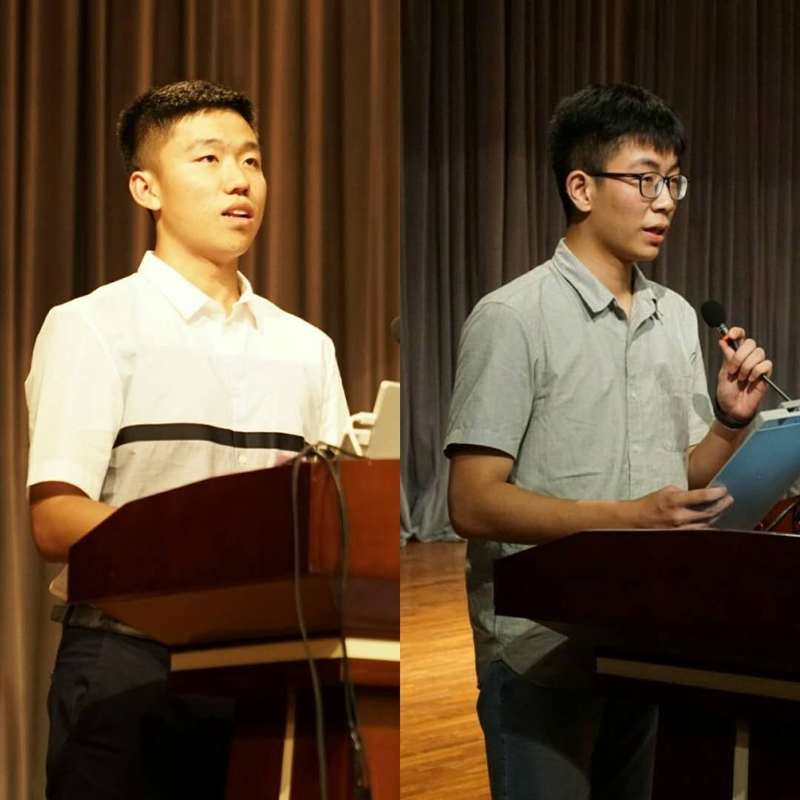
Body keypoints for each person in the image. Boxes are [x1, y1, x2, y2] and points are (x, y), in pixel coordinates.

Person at [445, 83, 773, 800]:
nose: (666, 202)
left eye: (674, 182)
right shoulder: (512, 317)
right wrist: (631, 517)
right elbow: (472, 504)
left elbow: (680, 478)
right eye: (645, 180)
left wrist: (729, 423)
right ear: (581, 187)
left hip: (648, 634)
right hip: (541, 647)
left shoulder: (675, 315)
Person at [26, 79, 350, 799]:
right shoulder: (92, 327)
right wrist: (211, 543)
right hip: (126, 663)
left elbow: (338, 517)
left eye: (251, 160)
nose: (240, 180)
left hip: (267, 670)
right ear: (146, 188)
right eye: (209, 159)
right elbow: (54, 518)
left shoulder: (307, 347)